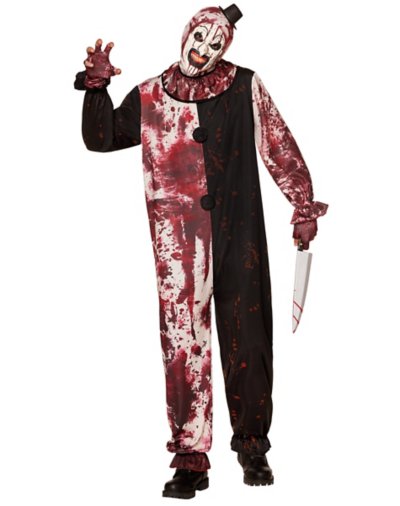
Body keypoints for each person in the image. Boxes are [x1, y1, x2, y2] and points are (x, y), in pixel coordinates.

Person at [74, 4, 328, 499]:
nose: (203, 49)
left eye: (215, 44)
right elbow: (100, 139)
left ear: (224, 48)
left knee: (249, 340)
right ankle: (190, 457)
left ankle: (252, 445)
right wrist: (96, 88)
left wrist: (302, 204)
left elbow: (277, 144)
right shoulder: (150, 94)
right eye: (199, 38)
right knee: (182, 345)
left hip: (240, 233)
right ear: (186, 33)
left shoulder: (245, 86)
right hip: (178, 244)